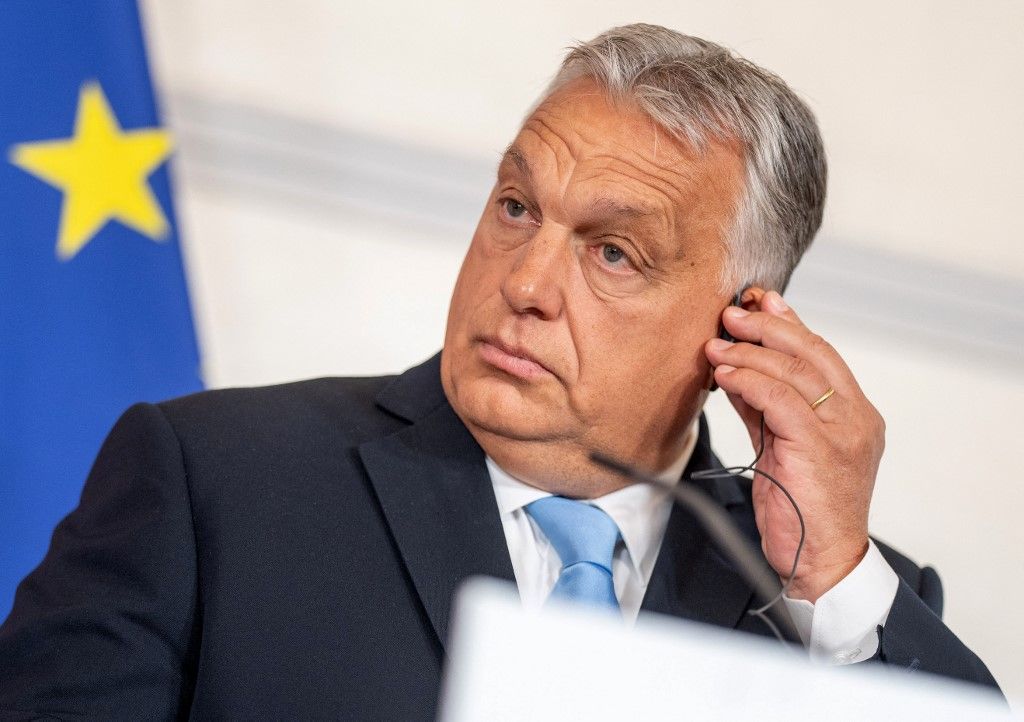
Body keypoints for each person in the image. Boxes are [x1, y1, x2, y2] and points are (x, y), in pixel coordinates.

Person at [0, 23, 1000, 719]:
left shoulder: (828, 601)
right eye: (517, 207)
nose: (524, 281)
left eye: (614, 252)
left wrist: (835, 579)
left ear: (740, 326)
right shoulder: (215, 480)